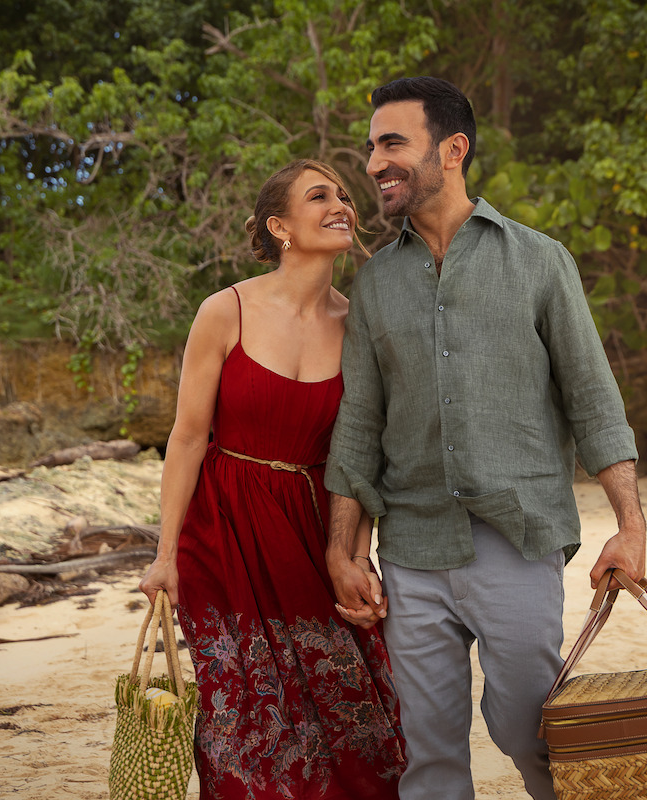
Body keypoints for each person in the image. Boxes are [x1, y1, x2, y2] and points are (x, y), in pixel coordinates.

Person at [324, 77, 647, 800]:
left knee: (532, 730)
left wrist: (630, 526)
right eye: (371, 148)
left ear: (453, 149)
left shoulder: (539, 261)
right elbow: (359, 428)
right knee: (428, 756)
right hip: (411, 549)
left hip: (518, 538)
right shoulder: (376, 285)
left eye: (392, 144)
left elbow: (594, 401)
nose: (374, 163)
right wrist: (342, 550)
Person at [137, 159, 405, 800]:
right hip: (224, 532)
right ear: (280, 226)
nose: (341, 204)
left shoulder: (359, 324)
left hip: (315, 531)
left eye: (344, 195)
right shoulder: (225, 310)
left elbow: (361, 451)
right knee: (243, 723)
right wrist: (164, 555)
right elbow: (187, 437)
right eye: (320, 196)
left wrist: (355, 554)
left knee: (353, 716)